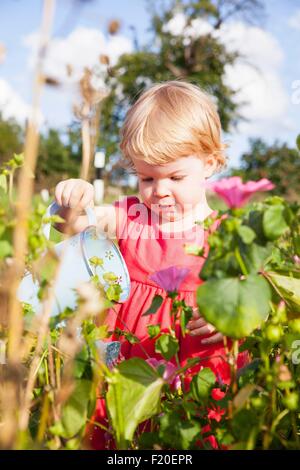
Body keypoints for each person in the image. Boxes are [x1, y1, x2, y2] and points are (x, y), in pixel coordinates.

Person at [54, 81, 248, 449]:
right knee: (121, 436)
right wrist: (74, 199)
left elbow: (257, 299)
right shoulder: (130, 216)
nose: (158, 190)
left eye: (175, 177)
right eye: (146, 178)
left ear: (209, 164)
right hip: (128, 371)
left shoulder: (226, 235)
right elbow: (74, 226)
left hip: (195, 373)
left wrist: (231, 317)